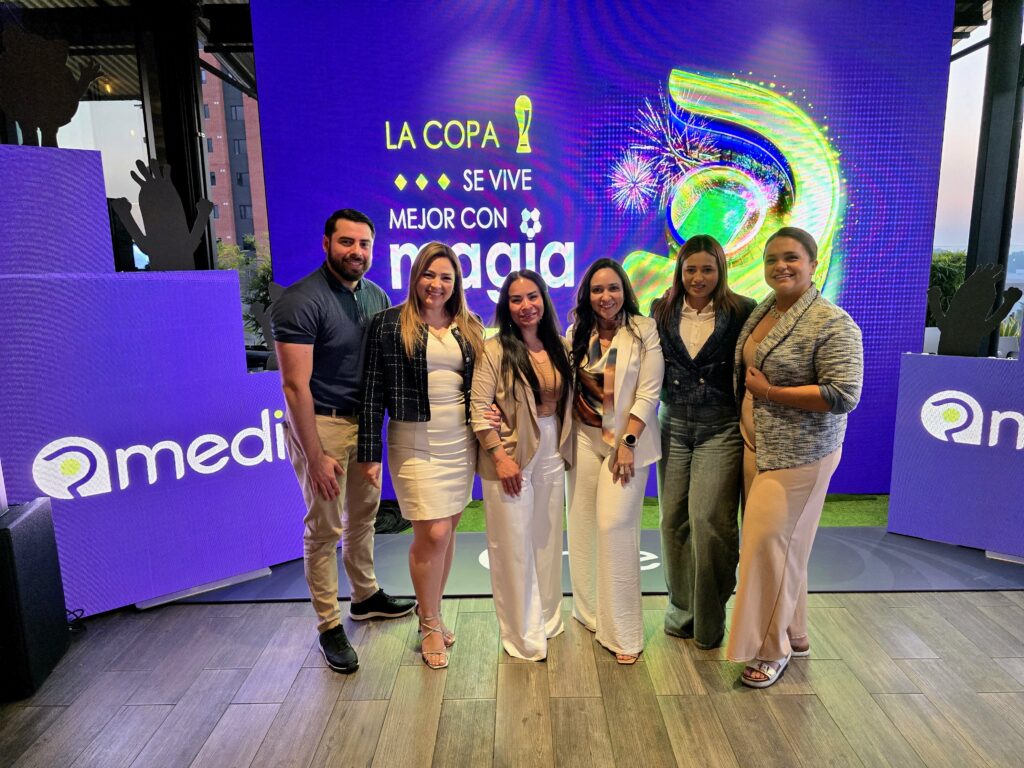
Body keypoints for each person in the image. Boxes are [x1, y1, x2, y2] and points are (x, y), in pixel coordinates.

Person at [272, 208, 415, 676]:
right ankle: (328, 625)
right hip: (322, 426)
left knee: (364, 517)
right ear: (326, 244)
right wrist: (314, 456)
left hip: (364, 423)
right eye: (347, 242)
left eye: (364, 244)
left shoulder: (375, 296)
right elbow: (294, 387)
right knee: (324, 528)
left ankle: (365, 595)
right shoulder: (301, 300)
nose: (356, 252)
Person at [726, 226, 863, 688]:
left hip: (800, 455)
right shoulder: (766, 309)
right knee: (785, 548)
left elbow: (843, 394)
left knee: (766, 547)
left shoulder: (832, 322)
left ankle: (771, 650)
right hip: (758, 447)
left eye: (791, 258)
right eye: (772, 259)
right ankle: (795, 633)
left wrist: (771, 392)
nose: (780, 266)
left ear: (812, 264)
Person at [358, 242, 484, 669]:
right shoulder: (388, 324)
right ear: (416, 277)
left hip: (460, 444)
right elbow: (371, 394)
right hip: (414, 445)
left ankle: (433, 611)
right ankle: (428, 623)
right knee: (432, 534)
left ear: (456, 283)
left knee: (447, 532)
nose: (437, 284)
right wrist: (369, 454)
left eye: (446, 277)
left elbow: (482, 387)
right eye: (429, 274)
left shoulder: (469, 325)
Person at [652, 235, 756, 649]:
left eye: (707, 269)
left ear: (721, 270)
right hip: (673, 423)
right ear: (680, 270)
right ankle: (682, 613)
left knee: (709, 522)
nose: (698, 277)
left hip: (721, 425)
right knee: (672, 521)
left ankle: (711, 622)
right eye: (690, 269)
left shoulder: (743, 310)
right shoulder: (661, 309)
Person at [471, 270, 574, 661]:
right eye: (516, 299)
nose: (526, 305)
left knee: (547, 541)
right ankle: (522, 635)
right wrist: (499, 457)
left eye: (532, 296)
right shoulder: (493, 350)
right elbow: (479, 408)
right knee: (512, 546)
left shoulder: (561, 346)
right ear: (506, 306)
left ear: (543, 299)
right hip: (510, 454)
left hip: (551, 448)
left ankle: (548, 620)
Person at [566, 258, 664, 664]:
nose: (605, 297)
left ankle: (624, 634)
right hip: (584, 441)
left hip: (627, 445)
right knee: (582, 527)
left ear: (625, 290)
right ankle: (590, 613)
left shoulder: (644, 330)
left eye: (612, 288)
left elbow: (649, 393)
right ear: (587, 296)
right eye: (597, 290)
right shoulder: (577, 332)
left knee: (615, 527)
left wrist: (627, 443)